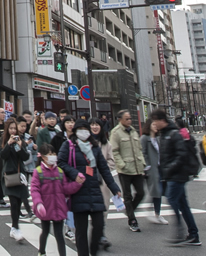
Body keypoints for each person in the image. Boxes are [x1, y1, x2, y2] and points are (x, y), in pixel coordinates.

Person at [58, 119, 122, 256]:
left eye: (85, 129)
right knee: (81, 231)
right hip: (78, 190)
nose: (83, 132)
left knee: (99, 226)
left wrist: (114, 188)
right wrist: (74, 173)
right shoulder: (68, 145)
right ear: (75, 131)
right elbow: (61, 162)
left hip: (94, 189)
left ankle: (93, 251)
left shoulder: (95, 147)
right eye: (80, 129)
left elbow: (104, 169)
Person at [152, 108, 200, 246]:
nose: (154, 123)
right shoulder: (164, 134)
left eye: (155, 120)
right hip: (173, 175)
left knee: (173, 200)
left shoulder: (173, 134)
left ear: (162, 120)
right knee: (182, 204)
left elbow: (181, 155)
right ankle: (193, 234)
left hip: (177, 175)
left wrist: (168, 169)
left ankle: (180, 231)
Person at [31, 143, 81, 256]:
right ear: (43, 156)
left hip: (58, 208)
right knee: (45, 231)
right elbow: (34, 189)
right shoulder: (38, 171)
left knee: (59, 234)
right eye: (50, 154)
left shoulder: (59, 171)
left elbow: (65, 189)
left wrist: (77, 184)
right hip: (45, 207)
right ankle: (42, 252)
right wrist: (38, 203)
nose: (53, 156)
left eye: (54, 153)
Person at [108, 109, 146, 232]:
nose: (129, 120)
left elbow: (139, 148)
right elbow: (114, 151)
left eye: (130, 118)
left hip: (137, 168)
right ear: (120, 120)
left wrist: (143, 162)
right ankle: (132, 220)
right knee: (127, 196)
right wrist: (121, 164)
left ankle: (130, 210)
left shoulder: (133, 131)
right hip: (124, 170)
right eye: (127, 119)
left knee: (141, 193)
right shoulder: (116, 133)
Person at [0, 117, 31, 243]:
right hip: (9, 174)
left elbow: (25, 157)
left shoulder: (20, 140)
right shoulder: (2, 140)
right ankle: (15, 227)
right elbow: (2, 155)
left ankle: (14, 226)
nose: (13, 131)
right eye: (11, 128)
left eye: (15, 128)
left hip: (20, 174)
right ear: (7, 129)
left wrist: (20, 146)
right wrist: (8, 144)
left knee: (18, 202)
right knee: (13, 201)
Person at [89, 117, 116, 249]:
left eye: (97, 125)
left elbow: (112, 161)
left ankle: (101, 234)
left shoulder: (107, 144)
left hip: (103, 181)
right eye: (92, 125)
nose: (94, 127)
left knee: (103, 208)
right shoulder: (84, 143)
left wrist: (103, 166)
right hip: (88, 179)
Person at [141, 118, 168, 225]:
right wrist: (147, 166)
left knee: (158, 191)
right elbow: (143, 152)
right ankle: (157, 214)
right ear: (149, 125)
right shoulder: (144, 138)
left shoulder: (157, 138)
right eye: (153, 124)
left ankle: (152, 210)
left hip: (159, 168)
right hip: (151, 169)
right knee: (156, 191)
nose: (156, 126)